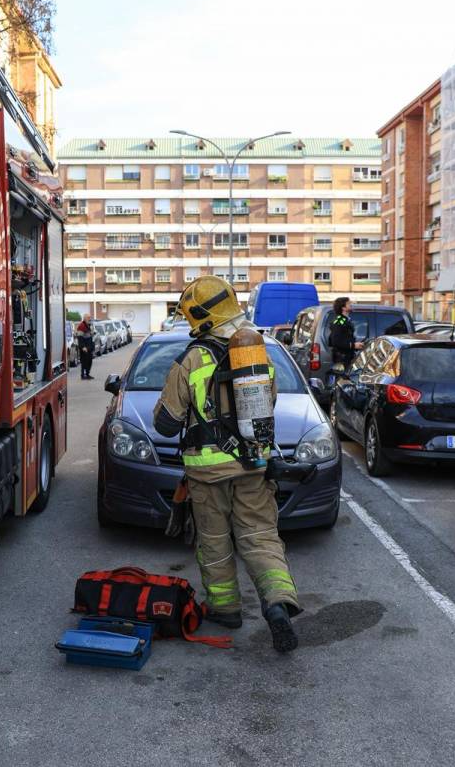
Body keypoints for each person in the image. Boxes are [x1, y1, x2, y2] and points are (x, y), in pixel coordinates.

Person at [152, 276, 301, 653]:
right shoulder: (257, 354)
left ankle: (226, 608)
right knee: (260, 537)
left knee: (215, 542)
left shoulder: (192, 359)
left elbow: (166, 423)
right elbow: (269, 405)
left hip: (206, 473)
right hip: (252, 465)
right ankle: (278, 602)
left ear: (197, 317)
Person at [328, 296, 363, 370]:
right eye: (348, 303)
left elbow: (345, 338)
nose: (351, 304)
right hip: (341, 359)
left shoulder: (345, 320)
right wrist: (353, 345)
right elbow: (335, 341)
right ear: (343, 308)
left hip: (347, 357)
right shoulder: (339, 321)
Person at [76, 313, 95, 380]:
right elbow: (80, 337)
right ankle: (83, 375)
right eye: (88, 318)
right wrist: (83, 347)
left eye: (90, 317)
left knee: (89, 361)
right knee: (84, 362)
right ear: (84, 318)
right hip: (84, 348)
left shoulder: (89, 325)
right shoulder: (81, 326)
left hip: (89, 347)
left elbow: (90, 335)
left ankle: (87, 374)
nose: (90, 319)